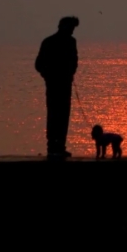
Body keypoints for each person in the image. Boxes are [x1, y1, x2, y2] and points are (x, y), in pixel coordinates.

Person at [35, 16, 79, 158]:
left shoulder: (72, 42)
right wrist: (48, 75)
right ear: (62, 26)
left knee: (64, 115)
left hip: (65, 84)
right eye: (71, 28)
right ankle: (52, 147)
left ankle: (60, 146)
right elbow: (39, 64)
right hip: (54, 85)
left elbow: (74, 60)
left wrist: (71, 72)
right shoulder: (49, 42)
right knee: (54, 115)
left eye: (73, 28)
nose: (72, 31)